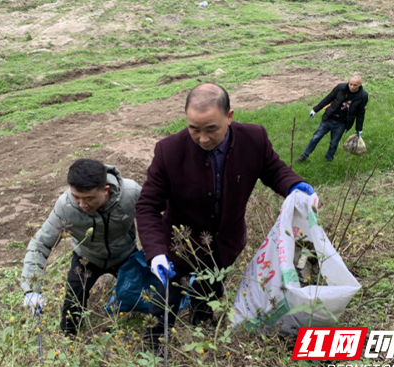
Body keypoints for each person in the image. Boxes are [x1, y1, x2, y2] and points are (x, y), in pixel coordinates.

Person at [135, 83, 315, 349]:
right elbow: (147, 206)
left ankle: (202, 333)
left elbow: (275, 171)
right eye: (193, 129)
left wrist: (294, 186)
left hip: (223, 244)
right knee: (165, 299)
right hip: (179, 247)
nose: (203, 139)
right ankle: (153, 349)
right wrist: (156, 252)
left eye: (212, 129)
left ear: (229, 117)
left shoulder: (254, 139)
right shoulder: (169, 151)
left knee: (207, 294)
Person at [21, 159, 141, 335]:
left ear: (105, 189)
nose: (82, 204)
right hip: (87, 257)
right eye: (76, 197)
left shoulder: (131, 194)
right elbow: (41, 244)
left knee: (145, 295)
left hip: (124, 253)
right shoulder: (66, 206)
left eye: (89, 198)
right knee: (73, 304)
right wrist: (32, 289)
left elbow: (156, 217)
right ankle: (70, 339)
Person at [296, 76, 368, 162]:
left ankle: (328, 159)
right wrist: (315, 110)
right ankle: (304, 155)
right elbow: (328, 99)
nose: (352, 87)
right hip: (329, 118)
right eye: (350, 84)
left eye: (355, 85)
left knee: (334, 143)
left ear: (360, 85)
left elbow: (360, 113)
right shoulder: (340, 88)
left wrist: (359, 129)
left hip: (342, 123)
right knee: (316, 137)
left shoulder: (363, 96)